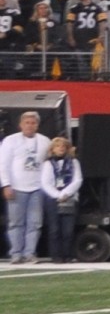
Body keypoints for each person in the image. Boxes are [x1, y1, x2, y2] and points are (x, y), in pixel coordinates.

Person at [2, 109, 52, 262]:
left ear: (37, 125)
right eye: (27, 123)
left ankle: (29, 253)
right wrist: (6, 185)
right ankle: (16, 253)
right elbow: (3, 164)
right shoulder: (10, 140)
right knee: (16, 222)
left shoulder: (44, 141)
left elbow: (49, 163)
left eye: (33, 123)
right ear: (20, 125)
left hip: (37, 188)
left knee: (35, 223)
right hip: (16, 187)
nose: (30, 126)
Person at [41, 136, 80, 261]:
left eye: (63, 146)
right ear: (53, 149)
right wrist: (57, 195)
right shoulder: (48, 164)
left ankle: (68, 255)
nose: (61, 148)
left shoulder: (74, 162)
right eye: (58, 146)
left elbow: (78, 179)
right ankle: (56, 256)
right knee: (54, 229)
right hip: (53, 199)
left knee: (68, 230)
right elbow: (45, 183)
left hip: (69, 198)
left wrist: (65, 194)